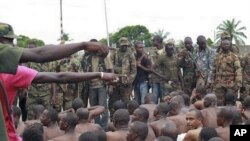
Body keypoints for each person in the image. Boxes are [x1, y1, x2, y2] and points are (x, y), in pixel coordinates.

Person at [0, 22, 110, 141]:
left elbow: (59, 76)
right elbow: (46, 61)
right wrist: (83, 45)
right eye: (8, 41)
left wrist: (100, 74)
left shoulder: (15, 72)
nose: (12, 46)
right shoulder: (13, 73)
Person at [86, 39, 113, 130]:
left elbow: (111, 70)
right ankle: (97, 127)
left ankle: (104, 128)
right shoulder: (88, 58)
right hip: (91, 86)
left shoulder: (104, 57)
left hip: (102, 86)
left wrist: (111, 86)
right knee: (94, 109)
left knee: (103, 108)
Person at [108, 37, 137, 119]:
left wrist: (129, 80)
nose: (124, 47)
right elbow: (110, 68)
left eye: (126, 45)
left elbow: (134, 70)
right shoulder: (114, 53)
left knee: (126, 103)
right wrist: (111, 83)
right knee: (113, 102)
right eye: (123, 45)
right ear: (120, 45)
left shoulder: (130, 54)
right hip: (115, 82)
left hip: (126, 84)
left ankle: (125, 120)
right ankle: (113, 119)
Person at [212, 39, 242, 106]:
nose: (225, 46)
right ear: (221, 45)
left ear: (230, 45)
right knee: (219, 102)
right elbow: (214, 69)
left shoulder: (234, 57)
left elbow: (238, 70)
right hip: (219, 84)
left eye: (227, 44)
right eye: (224, 44)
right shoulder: (217, 57)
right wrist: (212, 81)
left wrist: (238, 83)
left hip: (230, 84)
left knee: (231, 102)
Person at [149, 35, 165, 103]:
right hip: (154, 79)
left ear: (158, 41)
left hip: (164, 79)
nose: (152, 42)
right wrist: (150, 78)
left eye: (154, 40)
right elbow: (150, 65)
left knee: (163, 99)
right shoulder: (152, 51)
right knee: (154, 100)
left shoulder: (166, 50)